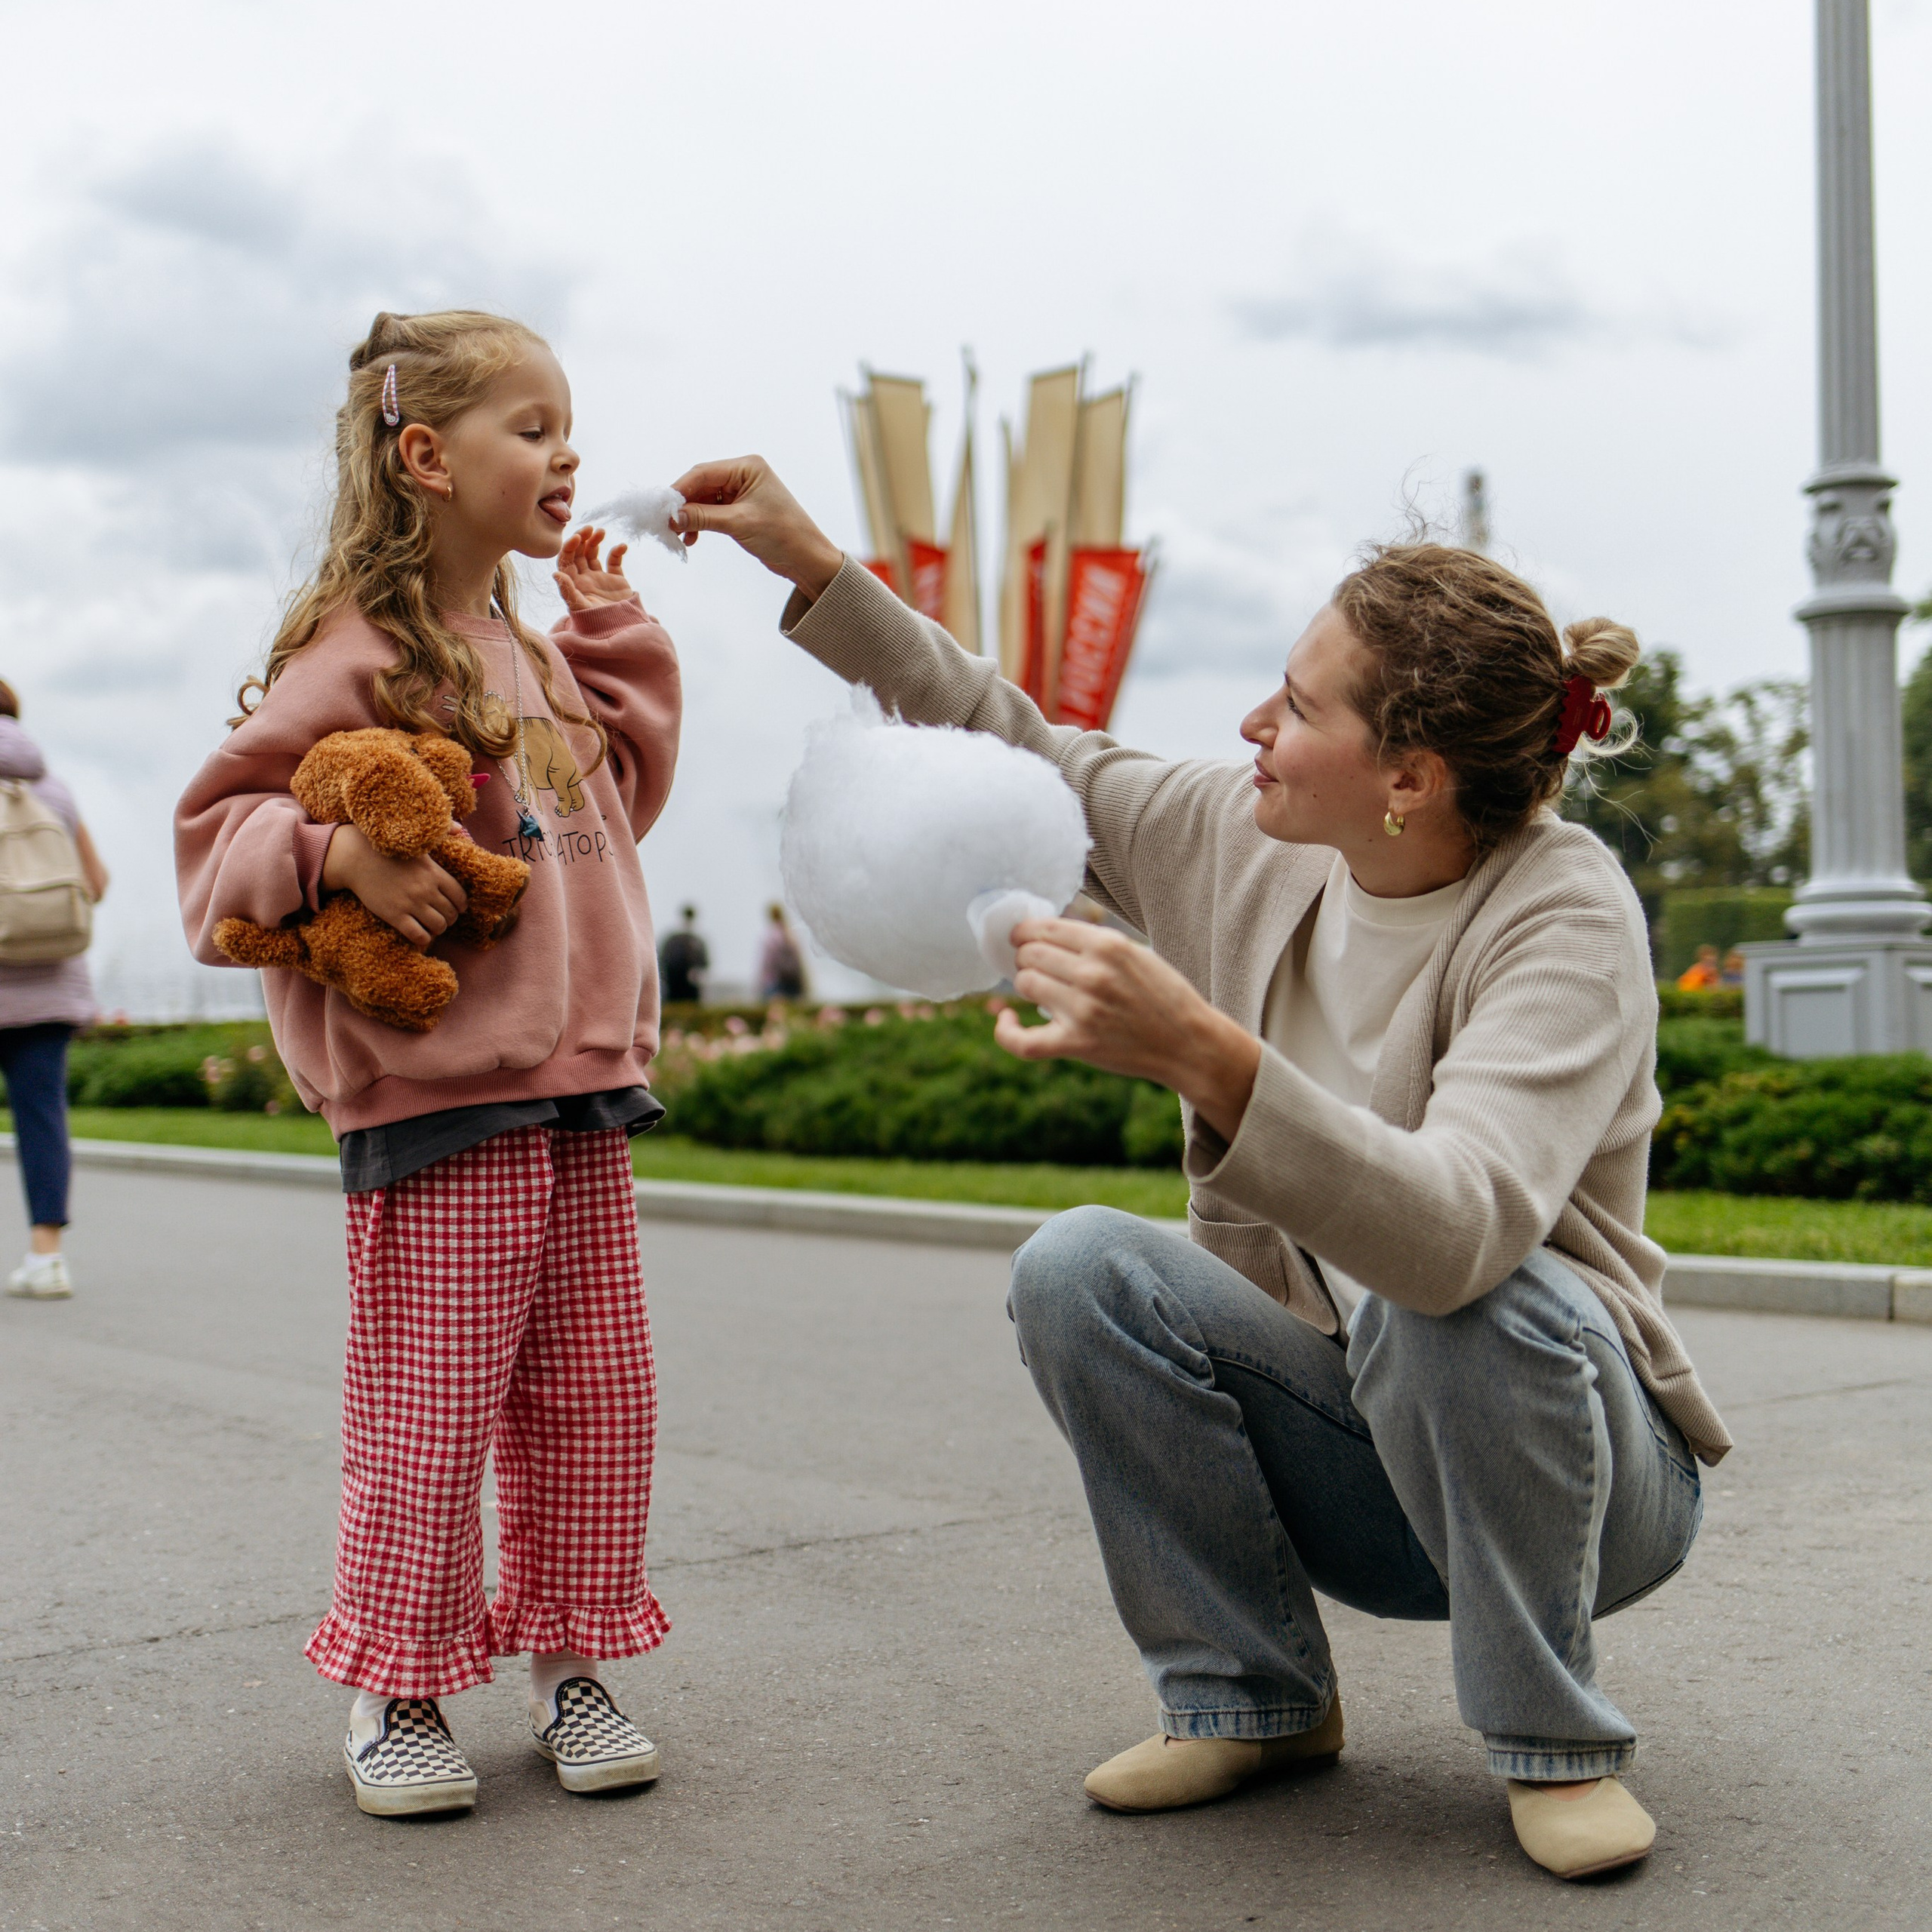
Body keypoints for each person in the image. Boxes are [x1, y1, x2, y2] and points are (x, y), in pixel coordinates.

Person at [669, 456, 1730, 1882]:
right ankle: (1254, 1697)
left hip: (1588, 1485)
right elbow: (1017, 740)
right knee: (1079, 1271)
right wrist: (817, 572)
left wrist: (1208, 1060)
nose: (1254, 726)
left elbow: (1461, 1234)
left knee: (1467, 1294)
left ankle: (1552, 1734)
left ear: (1408, 779)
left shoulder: (1563, 913)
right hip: (1377, 1460)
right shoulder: (1242, 840)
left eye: (1298, 708)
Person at [177, 311, 681, 1819]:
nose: (565, 451)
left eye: (565, 425)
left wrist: (618, 645)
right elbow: (216, 843)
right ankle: (394, 1679)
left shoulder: (531, 649)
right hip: (439, 1093)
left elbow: (616, 810)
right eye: (530, 427)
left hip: (580, 1077)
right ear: (423, 456)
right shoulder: (356, 652)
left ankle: (572, 1655)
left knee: (596, 1389)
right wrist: (332, 849)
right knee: (435, 1397)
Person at [0, 684, 109, 1300]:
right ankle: (47, 1259)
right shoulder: (56, 790)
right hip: (48, 986)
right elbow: (94, 882)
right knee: (43, 1121)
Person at [658, 903, 709, 1004]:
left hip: (692, 992)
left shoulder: (697, 942)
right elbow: (663, 962)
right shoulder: (673, 941)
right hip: (673, 990)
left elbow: (705, 965)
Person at [756, 900, 806, 1000]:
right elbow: (799, 960)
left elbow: (766, 962)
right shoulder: (790, 933)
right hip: (792, 981)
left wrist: (760, 983)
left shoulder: (770, 936)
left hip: (775, 982)